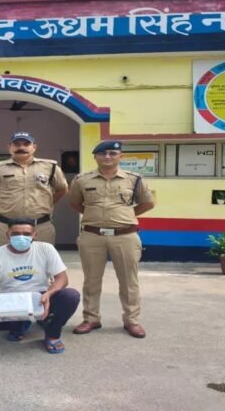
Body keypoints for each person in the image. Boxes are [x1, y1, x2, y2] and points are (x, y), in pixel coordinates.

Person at [68, 140, 155, 339]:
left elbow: (148, 203)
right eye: (102, 153)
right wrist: (95, 216)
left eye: (112, 153)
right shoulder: (82, 180)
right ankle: (91, 318)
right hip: (92, 235)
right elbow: (75, 203)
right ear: (95, 157)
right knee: (91, 280)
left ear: (120, 156)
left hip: (125, 236)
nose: (107, 157)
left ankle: (132, 320)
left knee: (129, 281)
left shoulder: (134, 179)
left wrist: (124, 216)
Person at [0, 218, 80, 354]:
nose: (21, 237)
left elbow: (62, 279)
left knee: (71, 296)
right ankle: (21, 324)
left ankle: (52, 334)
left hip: (40, 299)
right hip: (10, 301)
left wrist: (48, 294)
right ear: (7, 235)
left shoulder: (46, 249)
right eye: (16, 233)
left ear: (34, 235)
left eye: (26, 234)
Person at [0, 131, 68, 248]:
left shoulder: (50, 167)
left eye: (26, 144)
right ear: (9, 147)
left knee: (41, 258)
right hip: (5, 226)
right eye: (16, 144)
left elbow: (62, 189)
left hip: (40, 226)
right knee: (5, 258)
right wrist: (1, 205)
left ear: (34, 147)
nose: (21, 148)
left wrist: (46, 203)